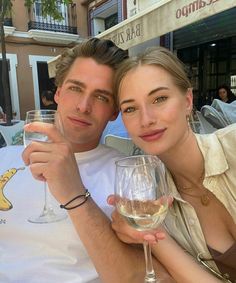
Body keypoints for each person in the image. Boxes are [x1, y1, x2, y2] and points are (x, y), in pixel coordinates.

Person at [0, 38, 174, 283]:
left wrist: (75, 194)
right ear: (58, 93)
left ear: (114, 111)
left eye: (102, 97)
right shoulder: (4, 160)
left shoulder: (129, 177)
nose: (83, 106)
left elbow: (139, 276)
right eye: (75, 88)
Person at [108, 46, 236, 282]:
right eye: (130, 108)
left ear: (187, 101)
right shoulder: (155, 207)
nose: (146, 120)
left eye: (159, 99)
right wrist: (154, 236)